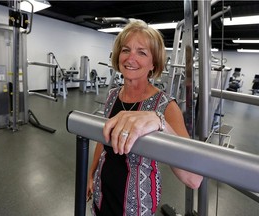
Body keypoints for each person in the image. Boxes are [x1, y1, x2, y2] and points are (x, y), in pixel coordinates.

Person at [87, 19, 203, 216]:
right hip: (102, 194)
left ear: (153, 63)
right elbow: (102, 139)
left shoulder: (166, 106)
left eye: (141, 52)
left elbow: (194, 179)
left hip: (136, 207)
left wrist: (161, 123)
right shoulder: (112, 95)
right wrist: (91, 175)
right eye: (125, 50)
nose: (130, 58)